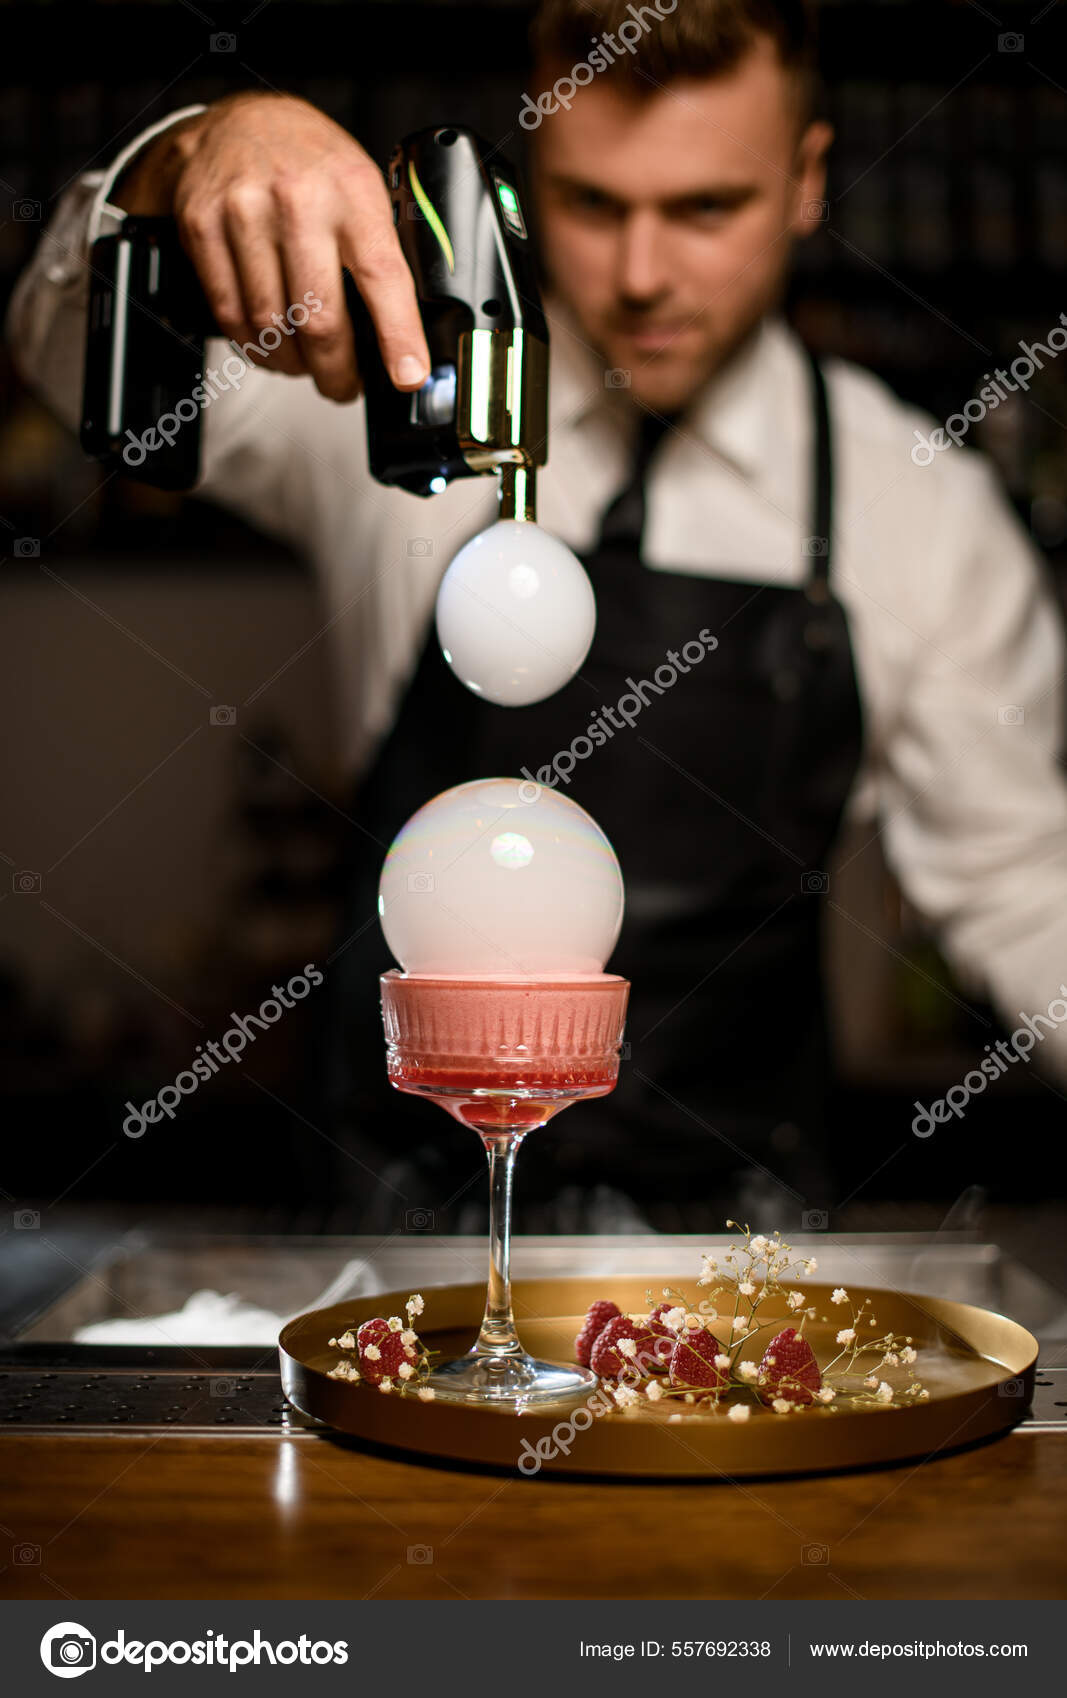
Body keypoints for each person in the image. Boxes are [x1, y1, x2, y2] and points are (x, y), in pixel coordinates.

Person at [10, 0, 1067, 1232]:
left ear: (805, 181)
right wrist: (181, 158)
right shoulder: (392, 385)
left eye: (704, 208)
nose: (640, 276)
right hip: (397, 1222)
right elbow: (59, 357)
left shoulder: (917, 507)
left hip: (734, 1246)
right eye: (591, 203)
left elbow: (1017, 884)